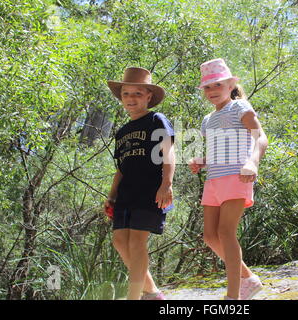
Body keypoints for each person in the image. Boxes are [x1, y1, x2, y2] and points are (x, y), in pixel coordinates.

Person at [188, 58, 268, 300]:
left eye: (218, 85)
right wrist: (202, 160)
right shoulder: (207, 120)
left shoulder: (240, 107)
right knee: (210, 236)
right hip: (213, 181)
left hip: (237, 177)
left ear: (231, 86)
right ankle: (248, 279)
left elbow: (261, 138)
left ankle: (233, 296)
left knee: (225, 233)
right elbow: (218, 150)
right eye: (208, 87)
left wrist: (252, 162)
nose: (212, 91)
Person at [104, 67, 175, 300]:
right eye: (126, 94)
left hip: (150, 190)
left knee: (137, 242)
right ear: (121, 97)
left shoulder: (156, 120)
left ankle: (134, 296)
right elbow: (121, 169)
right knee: (119, 241)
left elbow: (169, 153)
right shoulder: (122, 132)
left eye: (137, 94)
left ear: (148, 97)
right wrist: (111, 195)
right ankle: (152, 292)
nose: (131, 99)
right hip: (125, 194)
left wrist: (167, 184)